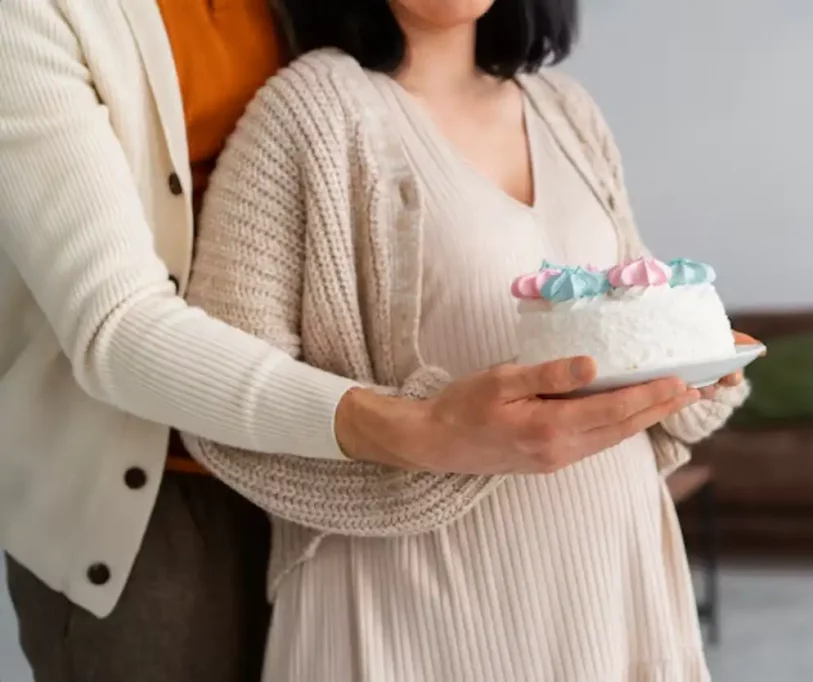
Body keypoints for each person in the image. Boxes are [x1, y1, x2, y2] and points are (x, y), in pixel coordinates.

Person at [0, 2, 742, 680]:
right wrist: (420, 431)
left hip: (609, 568)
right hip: (207, 505)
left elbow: (625, 319)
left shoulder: (567, 109)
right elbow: (119, 326)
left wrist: (685, 374)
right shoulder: (308, 105)